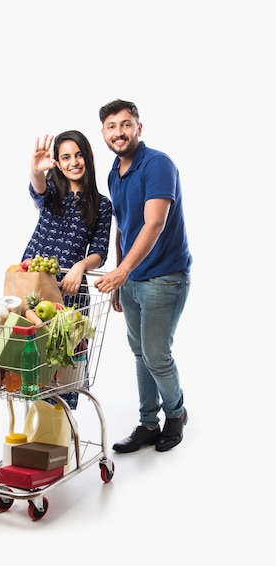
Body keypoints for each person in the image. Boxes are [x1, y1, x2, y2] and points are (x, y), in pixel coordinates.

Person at [94, 99, 192, 452]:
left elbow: (154, 223)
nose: (118, 132)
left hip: (165, 277)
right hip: (134, 279)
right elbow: (124, 228)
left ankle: (176, 414)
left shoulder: (158, 165)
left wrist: (122, 271)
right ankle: (149, 423)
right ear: (104, 132)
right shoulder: (114, 172)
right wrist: (122, 280)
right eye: (111, 127)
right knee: (139, 353)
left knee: (156, 355)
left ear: (138, 127)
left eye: (125, 124)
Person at [22, 130, 112, 408]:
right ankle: (37, 440)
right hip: (33, 284)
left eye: (78, 155)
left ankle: (57, 439)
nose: (74, 162)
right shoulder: (52, 195)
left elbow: (100, 251)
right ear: (58, 164)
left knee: (62, 371)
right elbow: (38, 188)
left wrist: (80, 267)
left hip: (69, 292)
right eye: (65, 157)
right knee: (30, 366)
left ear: (88, 157)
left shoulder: (102, 205)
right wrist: (36, 171)